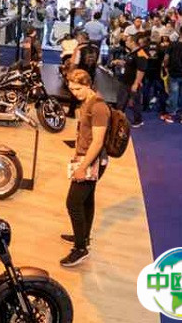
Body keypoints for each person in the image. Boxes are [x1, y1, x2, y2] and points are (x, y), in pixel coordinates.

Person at [61, 69, 109, 267]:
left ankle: (80, 249)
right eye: (72, 89)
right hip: (86, 158)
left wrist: (82, 167)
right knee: (87, 200)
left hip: (92, 160)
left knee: (73, 203)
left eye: (78, 89)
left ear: (88, 85)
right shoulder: (87, 102)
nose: (75, 93)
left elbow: (97, 142)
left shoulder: (98, 108)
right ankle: (83, 236)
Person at [113, 35, 147, 128]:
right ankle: (119, 119)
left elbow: (141, 70)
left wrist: (136, 83)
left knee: (136, 103)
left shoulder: (141, 53)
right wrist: (119, 62)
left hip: (133, 83)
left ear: (133, 42)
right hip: (125, 81)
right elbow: (129, 63)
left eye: (127, 41)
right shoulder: (131, 52)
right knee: (121, 101)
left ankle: (138, 121)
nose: (126, 42)